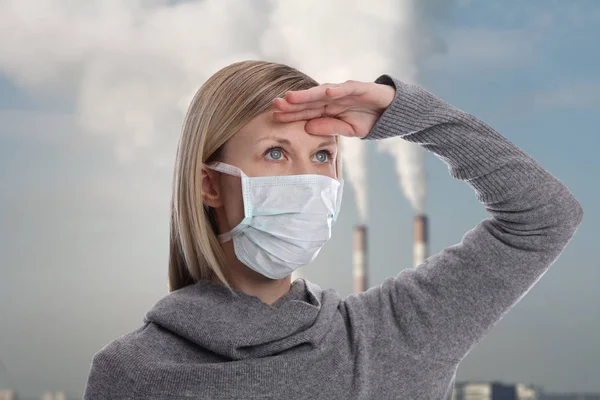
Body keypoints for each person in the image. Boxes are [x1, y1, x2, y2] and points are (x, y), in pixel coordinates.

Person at [83, 60, 583, 399]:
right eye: (276, 153)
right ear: (208, 185)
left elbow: (544, 214)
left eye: (323, 155)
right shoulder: (133, 373)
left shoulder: (394, 335)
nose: (307, 179)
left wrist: (403, 114)